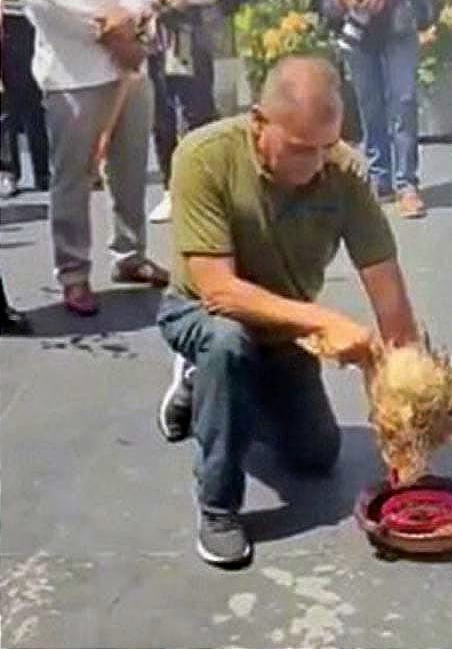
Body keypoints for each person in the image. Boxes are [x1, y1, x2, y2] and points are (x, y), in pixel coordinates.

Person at [157, 56, 420, 567]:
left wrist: (407, 409)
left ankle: (217, 392)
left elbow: (388, 293)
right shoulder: (204, 155)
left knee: (316, 457)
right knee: (227, 344)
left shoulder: (341, 171)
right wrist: (328, 321)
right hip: (200, 312)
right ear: (259, 121)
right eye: (302, 149)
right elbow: (219, 291)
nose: (318, 163)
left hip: (283, 331)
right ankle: (218, 506)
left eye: (328, 145)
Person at [11, 0, 169, 317]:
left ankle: (130, 254)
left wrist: (135, 16)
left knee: (130, 167)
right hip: (74, 73)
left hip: (129, 64)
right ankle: (74, 272)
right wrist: (108, 30)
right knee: (73, 177)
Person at [336, 0, 426, 219]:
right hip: (358, 18)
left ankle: (406, 184)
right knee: (369, 103)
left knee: (403, 101)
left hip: (398, 16)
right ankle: (379, 178)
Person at [144, 0, 220, 224]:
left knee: (197, 113)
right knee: (160, 118)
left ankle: (207, 187)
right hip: (148, 41)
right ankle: (171, 189)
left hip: (186, 38)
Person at [0, 0, 49, 197]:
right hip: (7, 17)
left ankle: (43, 170)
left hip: (32, 16)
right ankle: (9, 171)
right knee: (7, 102)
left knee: (34, 98)